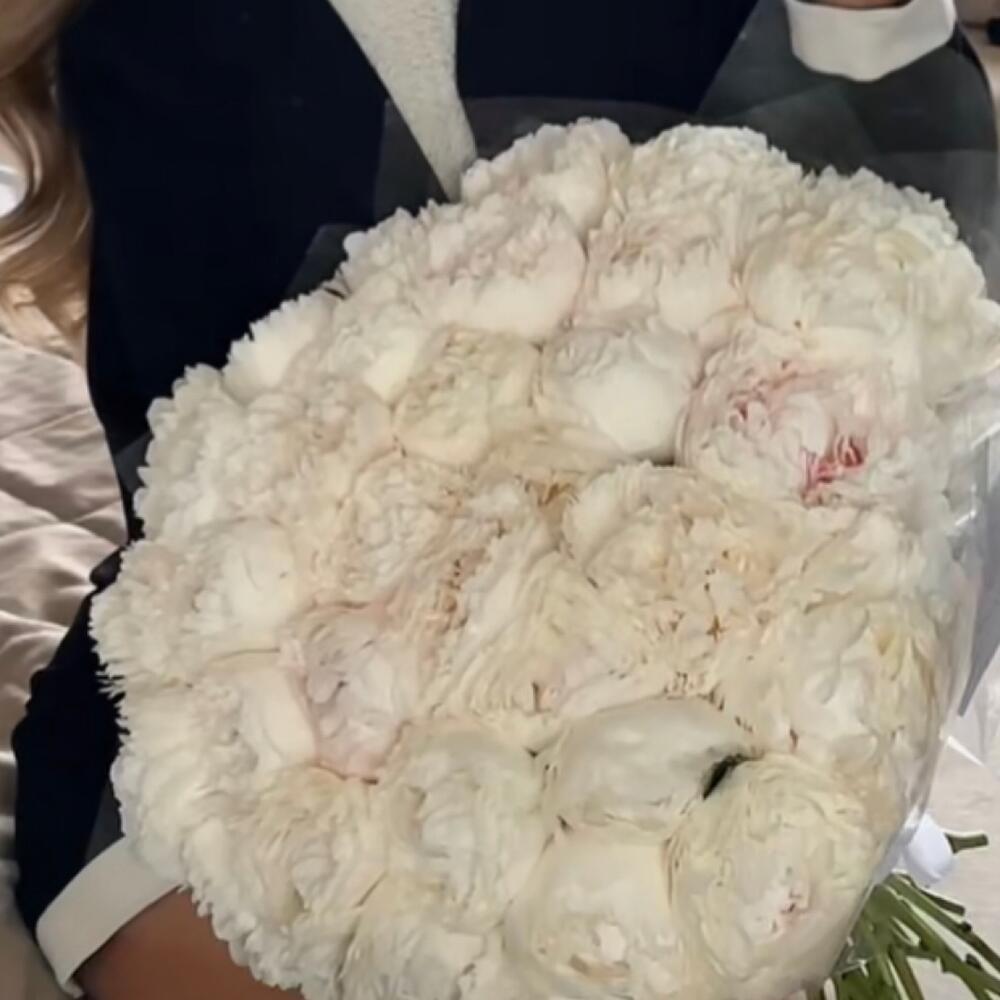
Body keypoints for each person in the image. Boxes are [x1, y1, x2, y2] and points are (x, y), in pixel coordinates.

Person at [0, 1, 993, 998]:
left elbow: (912, 273)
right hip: (283, 740)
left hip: (725, 672)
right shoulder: (142, 39)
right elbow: (210, 469)